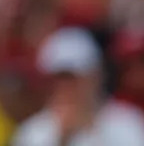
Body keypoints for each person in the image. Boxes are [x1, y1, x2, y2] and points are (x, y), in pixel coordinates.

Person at [13, 26, 144, 146]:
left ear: (96, 77)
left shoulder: (129, 123)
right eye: (58, 80)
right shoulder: (32, 132)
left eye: (72, 80)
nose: (64, 88)